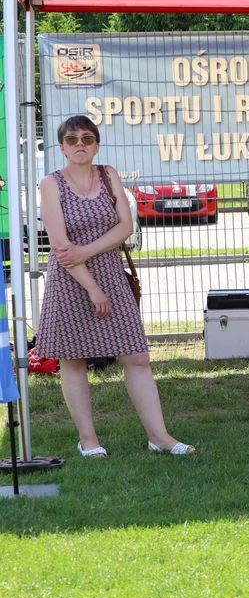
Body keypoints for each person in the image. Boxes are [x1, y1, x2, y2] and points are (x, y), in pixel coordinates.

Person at [35, 115, 194, 459]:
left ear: (96, 145)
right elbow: (62, 248)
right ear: (61, 146)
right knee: (73, 360)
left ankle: (160, 437)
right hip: (71, 279)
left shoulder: (109, 175)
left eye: (87, 139)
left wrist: (89, 251)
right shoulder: (50, 184)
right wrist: (92, 288)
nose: (80, 144)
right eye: (73, 139)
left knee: (136, 357)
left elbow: (125, 227)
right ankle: (88, 440)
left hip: (111, 272)